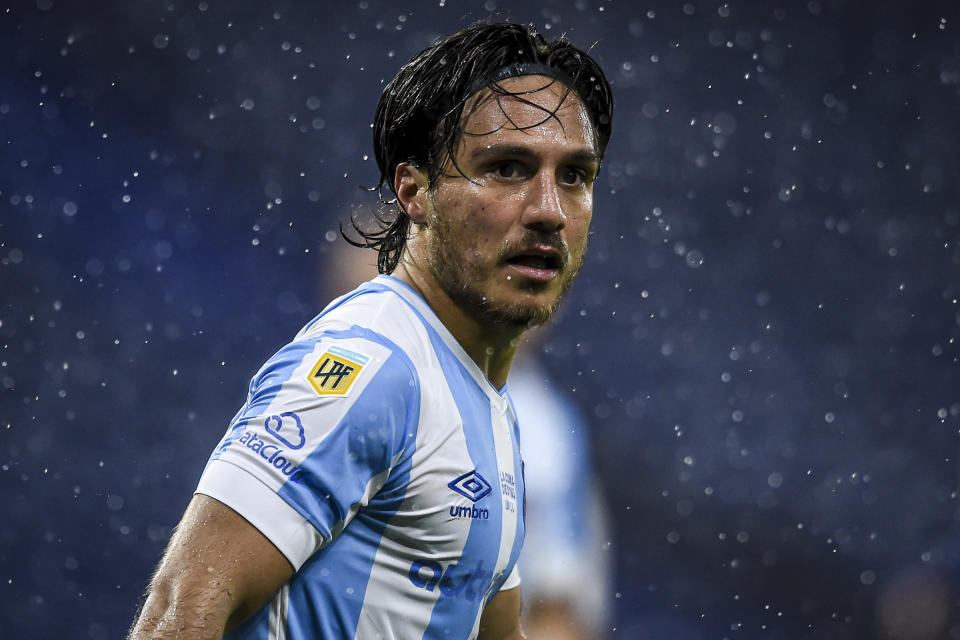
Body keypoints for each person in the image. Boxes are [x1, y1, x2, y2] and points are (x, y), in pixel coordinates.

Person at [127, 21, 613, 640]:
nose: (548, 208)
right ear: (414, 191)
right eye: (507, 168)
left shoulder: (490, 406)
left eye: (574, 176)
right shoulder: (371, 367)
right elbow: (179, 610)